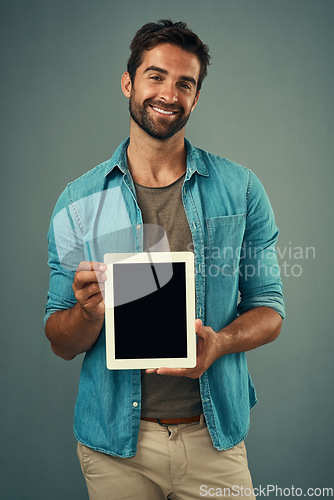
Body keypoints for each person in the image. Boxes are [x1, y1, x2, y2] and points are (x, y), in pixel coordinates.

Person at [44, 20, 285, 500]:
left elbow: (270, 310)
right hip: (116, 450)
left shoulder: (240, 188)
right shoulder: (78, 201)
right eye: (156, 76)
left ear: (196, 98)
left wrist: (219, 343)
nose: (169, 93)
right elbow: (60, 339)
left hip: (213, 439)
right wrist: (88, 312)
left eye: (185, 83)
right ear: (128, 82)